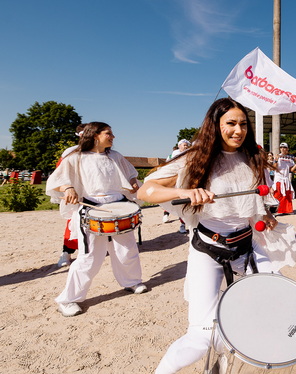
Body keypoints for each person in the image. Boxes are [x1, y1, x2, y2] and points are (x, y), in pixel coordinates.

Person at [137, 98, 282, 374]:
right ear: (215, 125)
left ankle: (228, 355)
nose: (238, 130)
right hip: (209, 251)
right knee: (201, 336)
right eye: (231, 123)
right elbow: (146, 190)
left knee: (270, 307)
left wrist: (263, 215)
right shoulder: (194, 157)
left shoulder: (253, 157)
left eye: (243, 124)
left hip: (248, 246)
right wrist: (186, 191)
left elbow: (252, 200)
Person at [46, 122, 147, 317]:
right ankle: (68, 300)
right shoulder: (75, 157)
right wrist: (68, 188)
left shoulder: (115, 156)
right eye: (108, 133)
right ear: (94, 135)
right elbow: (56, 181)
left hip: (119, 207)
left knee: (127, 250)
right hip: (91, 208)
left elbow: (131, 174)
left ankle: (132, 282)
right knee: (90, 257)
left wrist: (133, 182)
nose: (113, 137)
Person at [56, 123, 87, 268]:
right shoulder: (70, 153)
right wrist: (68, 188)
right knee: (73, 222)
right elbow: (60, 174)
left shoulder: (103, 152)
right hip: (77, 191)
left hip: (96, 193)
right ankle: (66, 252)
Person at [163, 139, 192, 232]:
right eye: (184, 145)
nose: (186, 146)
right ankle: (179, 223)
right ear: (179, 146)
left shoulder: (189, 154)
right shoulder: (172, 156)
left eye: (187, 145)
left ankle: (185, 224)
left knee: (185, 203)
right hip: (175, 181)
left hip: (186, 180)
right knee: (174, 201)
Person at [273, 142, 296, 214]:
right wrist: (276, 160)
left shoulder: (290, 158)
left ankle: (288, 210)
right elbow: (274, 168)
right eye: (281, 147)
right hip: (279, 179)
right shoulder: (277, 157)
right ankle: (277, 210)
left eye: (284, 147)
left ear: (287, 149)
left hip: (286, 179)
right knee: (278, 194)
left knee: (287, 195)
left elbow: (291, 170)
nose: (282, 149)